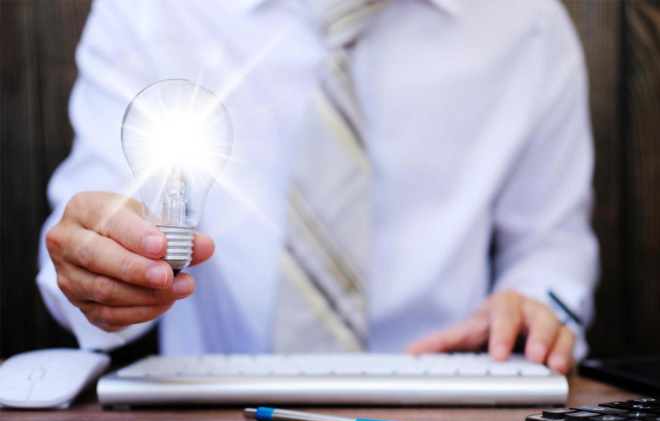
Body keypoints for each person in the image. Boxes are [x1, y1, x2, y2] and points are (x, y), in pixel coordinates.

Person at [38, 0, 598, 374]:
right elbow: (94, 212)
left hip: (447, 406)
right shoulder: (150, 12)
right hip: (213, 410)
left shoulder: (528, 25)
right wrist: (98, 262)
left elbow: (551, 247)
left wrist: (533, 310)